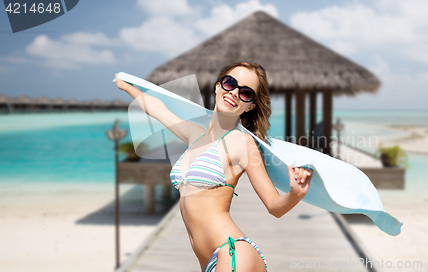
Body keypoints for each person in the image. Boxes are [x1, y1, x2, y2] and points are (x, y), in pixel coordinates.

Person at [115, 62, 313, 272]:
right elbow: (156, 109)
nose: (235, 93)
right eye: (230, 83)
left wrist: (295, 193)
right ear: (218, 86)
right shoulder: (195, 134)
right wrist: (128, 86)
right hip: (208, 261)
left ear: (251, 106)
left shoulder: (243, 143)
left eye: (246, 93)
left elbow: (274, 206)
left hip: (233, 253)